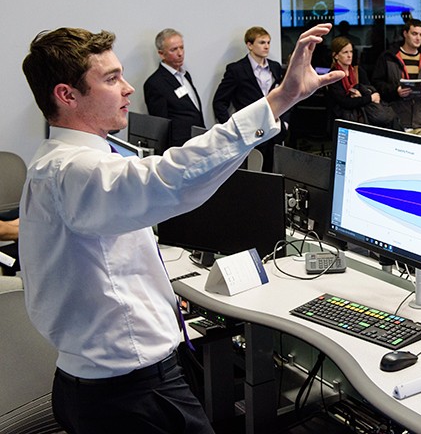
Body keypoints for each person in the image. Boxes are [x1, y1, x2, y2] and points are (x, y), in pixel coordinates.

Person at [19, 24, 343, 433]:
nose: (128, 88)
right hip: (130, 394)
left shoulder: (56, 161)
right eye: (112, 78)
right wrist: (280, 99)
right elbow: (171, 179)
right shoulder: (77, 171)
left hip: (95, 384)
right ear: (66, 95)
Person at [211, 26, 285, 171]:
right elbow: (219, 101)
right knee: (253, 173)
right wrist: (231, 129)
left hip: (273, 129)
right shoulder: (236, 69)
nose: (266, 46)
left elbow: (284, 95)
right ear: (249, 45)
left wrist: (285, 123)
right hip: (250, 132)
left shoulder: (275, 67)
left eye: (269, 42)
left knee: (273, 173)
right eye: (262, 42)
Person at [372, 18, 421, 137]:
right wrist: (395, 91)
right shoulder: (389, 57)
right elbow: (377, 84)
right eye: (414, 34)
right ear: (405, 34)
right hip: (397, 118)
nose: (418, 38)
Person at [143, 29, 205, 148]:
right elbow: (161, 125)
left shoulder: (185, 75)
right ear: (161, 54)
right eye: (174, 49)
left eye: (181, 47)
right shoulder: (155, 83)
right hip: (179, 147)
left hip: (198, 141)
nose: (180, 53)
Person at [327, 36, 395, 127]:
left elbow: (373, 92)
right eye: (345, 52)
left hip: (363, 119)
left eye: (351, 52)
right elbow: (344, 102)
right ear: (335, 55)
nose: (349, 55)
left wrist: (361, 96)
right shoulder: (332, 76)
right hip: (341, 122)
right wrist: (368, 98)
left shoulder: (358, 71)